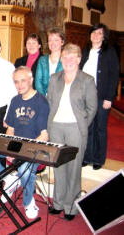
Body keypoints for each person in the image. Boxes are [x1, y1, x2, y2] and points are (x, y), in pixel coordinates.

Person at [0, 66, 49, 220]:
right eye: (16, 82)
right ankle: (8, 177)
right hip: (15, 147)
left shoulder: (41, 102)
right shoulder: (15, 100)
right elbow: (10, 129)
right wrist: (9, 150)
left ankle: (29, 202)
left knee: (25, 168)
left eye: (23, 81)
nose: (19, 85)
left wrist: (25, 151)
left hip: (34, 150)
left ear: (31, 80)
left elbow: (44, 135)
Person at [47, 43, 97, 221]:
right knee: (58, 166)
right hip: (56, 127)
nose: (68, 60)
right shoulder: (55, 78)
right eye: (65, 56)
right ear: (61, 59)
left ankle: (70, 206)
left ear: (78, 59)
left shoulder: (87, 80)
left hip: (76, 127)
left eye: (72, 56)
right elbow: (50, 102)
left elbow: (92, 107)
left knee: (74, 168)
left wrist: (81, 124)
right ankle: (58, 203)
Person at [80, 23, 120, 170]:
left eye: (99, 33)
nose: (96, 35)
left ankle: (98, 159)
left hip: (102, 96)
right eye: (94, 32)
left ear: (104, 36)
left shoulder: (109, 51)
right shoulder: (85, 51)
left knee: (100, 128)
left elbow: (114, 75)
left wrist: (109, 97)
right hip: (85, 96)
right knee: (87, 128)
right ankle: (87, 156)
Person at [35, 28, 65, 95]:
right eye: (50, 40)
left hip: (61, 98)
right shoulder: (42, 60)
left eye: (56, 40)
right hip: (44, 97)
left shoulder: (67, 60)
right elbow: (38, 82)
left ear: (62, 42)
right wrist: (43, 100)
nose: (52, 43)